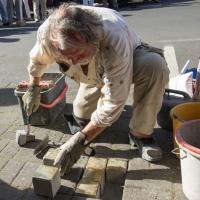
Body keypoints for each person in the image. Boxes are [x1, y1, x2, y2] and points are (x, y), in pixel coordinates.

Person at [22, 3, 169, 175]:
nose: (74, 62)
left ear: (93, 40)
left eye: (79, 55)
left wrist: (81, 141)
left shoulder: (114, 36)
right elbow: (38, 61)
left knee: (154, 65)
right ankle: (91, 98)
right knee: (82, 117)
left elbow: (115, 99)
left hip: (129, 60)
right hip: (93, 72)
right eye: (68, 56)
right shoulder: (48, 33)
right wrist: (34, 87)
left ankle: (141, 133)